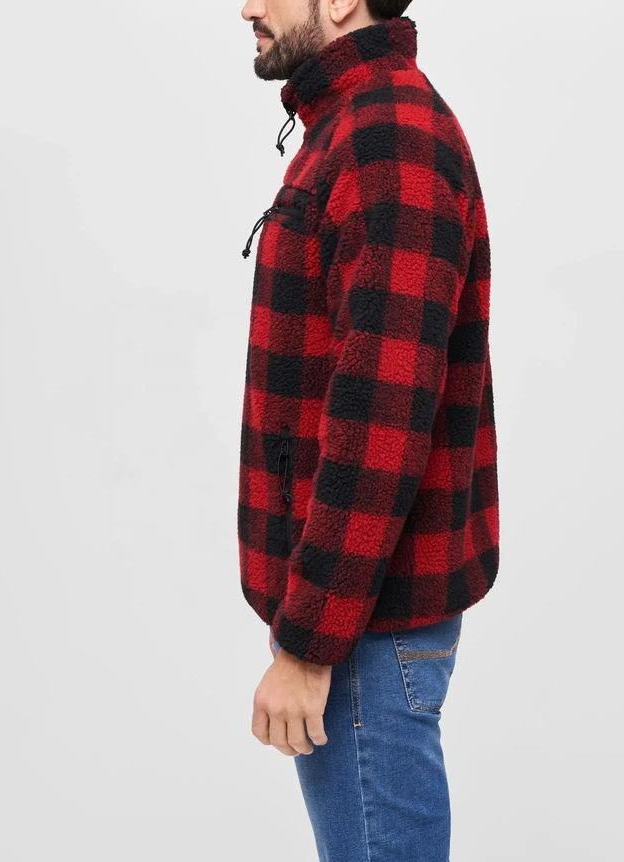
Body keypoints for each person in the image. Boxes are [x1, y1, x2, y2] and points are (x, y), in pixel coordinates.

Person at [238, 1, 499, 858]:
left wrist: (308, 647)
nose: (247, 7)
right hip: (353, 615)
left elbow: (382, 414)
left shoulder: (388, 135)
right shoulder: (353, 124)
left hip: (360, 630)